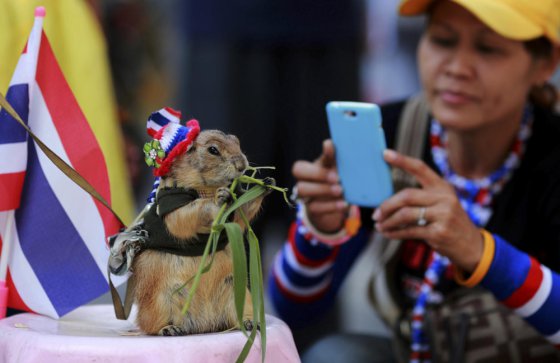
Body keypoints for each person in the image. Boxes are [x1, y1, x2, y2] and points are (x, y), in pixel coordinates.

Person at [268, 0, 560, 362]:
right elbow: (294, 310)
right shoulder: (391, 133)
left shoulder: (551, 157)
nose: (456, 67)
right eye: (442, 40)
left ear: (545, 64)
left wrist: (480, 252)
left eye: (488, 49)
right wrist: (318, 233)